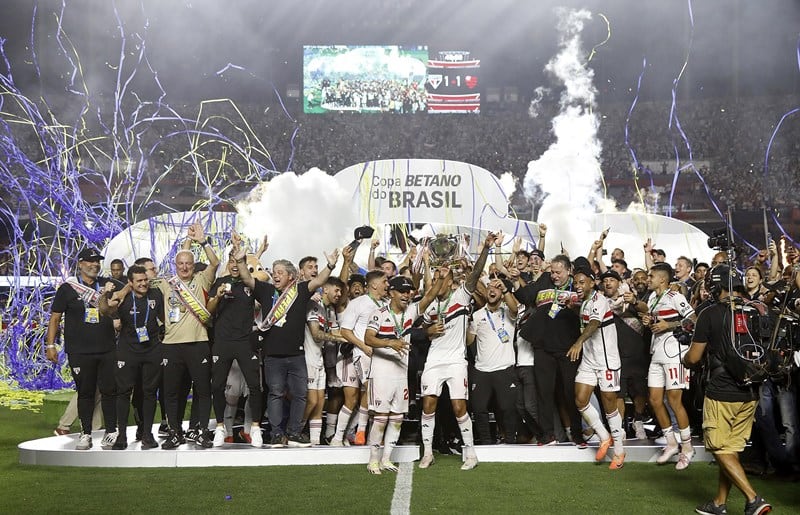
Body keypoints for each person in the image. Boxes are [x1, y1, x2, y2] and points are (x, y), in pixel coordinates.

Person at [683, 267, 772, 515]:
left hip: (722, 392)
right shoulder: (757, 310)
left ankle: (753, 499)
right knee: (729, 450)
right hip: (751, 390)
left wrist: (685, 359)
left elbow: (694, 356)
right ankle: (719, 503)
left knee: (720, 448)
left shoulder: (710, 313)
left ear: (713, 287)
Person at [418, 232, 495, 470]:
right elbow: (417, 328)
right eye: (438, 273)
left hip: (455, 361)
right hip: (434, 360)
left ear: (451, 280)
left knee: (459, 407)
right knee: (428, 405)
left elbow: (473, 275)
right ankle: (428, 453)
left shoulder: (461, 296)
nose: (441, 275)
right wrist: (428, 331)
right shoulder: (430, 303)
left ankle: (470, 453)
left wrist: (485, 249)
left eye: (445, 273)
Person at [363, 272, 443, 474]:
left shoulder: (410, 312)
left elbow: (429, 297)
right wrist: (390, 342)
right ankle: (373, 460)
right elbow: (368, 338)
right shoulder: (378, 314)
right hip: (381, 373)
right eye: (402, 291)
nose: (407, 295)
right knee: (381, 417)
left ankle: (387, 459)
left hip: (401, 374)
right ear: (391, 293)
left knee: (397, 417)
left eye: (409, 292)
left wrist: (441, 277)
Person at [262, 249, 340, 448]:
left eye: (280, 272)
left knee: (301, 395)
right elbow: (248, 278)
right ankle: (276, 434)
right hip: (273, 354)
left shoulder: (301, 290)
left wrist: (330, 265)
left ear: (291, 276)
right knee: (276, 394)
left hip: (297, 355)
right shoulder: (267, 291)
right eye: (274, 271)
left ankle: (294, 433)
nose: (275, 275)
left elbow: (320, 281)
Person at [151, 223, 219, 449]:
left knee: (202, 390)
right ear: (175, 265)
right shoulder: (166, 284)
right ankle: (174, 432)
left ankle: (200, 431)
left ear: (193, 266)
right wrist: (186, 243)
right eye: (180, 264)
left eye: (188, 263)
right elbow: (141, 283)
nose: (184, 267)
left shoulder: (201, 280)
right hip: (171, 345)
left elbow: (215, 262)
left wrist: (202, 241)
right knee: (170, 393)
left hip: (198, 343)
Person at [45, 248, 120, 450]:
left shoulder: (107, 285)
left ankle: (111, 432)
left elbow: (116, 307)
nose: (94, 264)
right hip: (79, 350)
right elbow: (55, 318)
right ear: (80, 263)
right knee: (85, 393)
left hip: (106, 348)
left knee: (109, 391)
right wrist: (50, 345)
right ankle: (85, 433)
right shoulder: (68, 289)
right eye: (90, 261)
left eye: (97, 261)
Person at [631, 263, 696, 470]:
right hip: (656, 352)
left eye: (650, 276)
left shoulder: (675, 297)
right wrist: (651, 320)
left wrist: (670, 325)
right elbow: (655, 323)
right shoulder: (652, 298)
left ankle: (687, 447)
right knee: (655, 400)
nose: (647, 279)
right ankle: (671, 442)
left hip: (674, 353)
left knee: (675, 401)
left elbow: (693, 320)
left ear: (662, 279)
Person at [513, 254, 582, 446]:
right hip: (543, 347)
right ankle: (547, 435)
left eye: (558, 272)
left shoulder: (577, 286)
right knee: (544, 393)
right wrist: (514, 280)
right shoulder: (545, 280)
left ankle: (578, 434)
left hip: (568, 348)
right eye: (552, 271)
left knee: (570, 393)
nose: (554, 276)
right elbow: (526, 296)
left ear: (569, 271)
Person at [207, 238, 271, 448]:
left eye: (238, 261)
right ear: (228, 263)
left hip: (245, 341)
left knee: (255, 386)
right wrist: (217, 297)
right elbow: (209, 310)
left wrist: (256, 252)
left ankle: (254, 428)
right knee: (217, 385)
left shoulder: (250, 284)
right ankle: (219, 428)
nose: (235, 265)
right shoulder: (220, 282)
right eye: (232, 261)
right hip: (223, 342)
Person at [99, 264, 164, 450]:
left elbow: (164, 316)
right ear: (130, 283)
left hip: (151, 349)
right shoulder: (123, 297)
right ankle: (121, 435)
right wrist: (105, 294)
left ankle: (147, 434)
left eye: (145, 280)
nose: (144, 284)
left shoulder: (156, 294)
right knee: (123, 393)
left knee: (150, 393)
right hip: (128, 350)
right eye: (139, 281)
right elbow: (105, 310)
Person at [566, 269, 626, 470]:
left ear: (592, 283)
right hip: (590, 360)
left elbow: (594, 323)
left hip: (607, 361)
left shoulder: (600, 300)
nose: (578, 286)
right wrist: (574, 309)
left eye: (582, 282)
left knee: (609, 405)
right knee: (580, 400)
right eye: (576, 283)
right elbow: (587, 316)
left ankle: (619, 451)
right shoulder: (585, 301)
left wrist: (578, 343)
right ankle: (604, 436)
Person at [330, 270, 389, 446]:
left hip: (377, 355)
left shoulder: (386, 304)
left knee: (368, 394)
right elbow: (345, 331)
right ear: (374, 284)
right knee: (356, 396)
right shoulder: (357, 304)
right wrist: (363, 346)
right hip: (358, 355)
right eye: (385, 281)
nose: (388, 284)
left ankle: (356, 433)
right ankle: (342, 436)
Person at [467, 277, 520, 445]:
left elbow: (516, 309)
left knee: (507, 408)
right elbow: (469, 341)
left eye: (497, 288)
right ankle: (485, 441)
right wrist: (465, 322)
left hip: (504, 368)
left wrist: (505, 290)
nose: (492, 290)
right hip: (481, 370)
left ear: (502, 293)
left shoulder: (508, 311)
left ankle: (510, 440)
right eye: (490, 287)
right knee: (479, 408)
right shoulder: (477, 315)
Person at [304, 276, 348, 446]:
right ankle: (295, 431)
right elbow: (316, 334)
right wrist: (341, 340)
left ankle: (314, 442)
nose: (339, 294)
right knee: (312, 401)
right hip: (309, 358)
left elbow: (337, 333)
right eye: (336, 290)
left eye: (340, 291)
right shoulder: (314, 306)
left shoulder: (329, 311)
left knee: (320, 402)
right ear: (325, 289)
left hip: (320, 360)